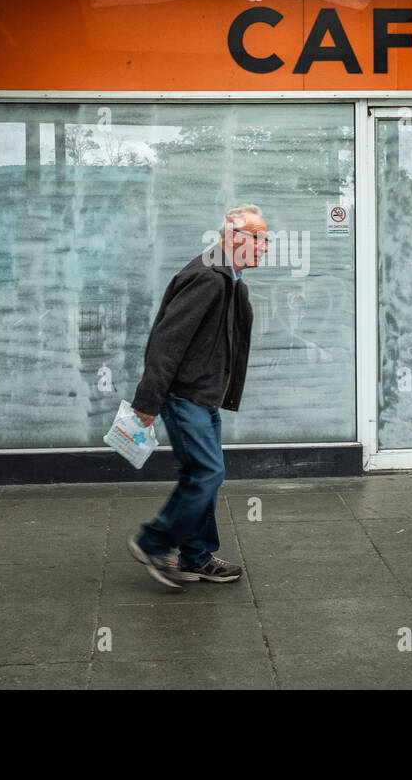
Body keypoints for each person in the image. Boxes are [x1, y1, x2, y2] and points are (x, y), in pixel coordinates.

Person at [126, 204, 267, 589]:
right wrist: (148, 402)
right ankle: (153, 542)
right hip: (185, 396)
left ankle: (196, 557)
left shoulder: (230, 280)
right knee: (208, 473)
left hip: (203, 396)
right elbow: (166, 342)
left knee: (201, 474)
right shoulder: (208, 278)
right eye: (260, 239)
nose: (266, 247)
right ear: (236, 239)